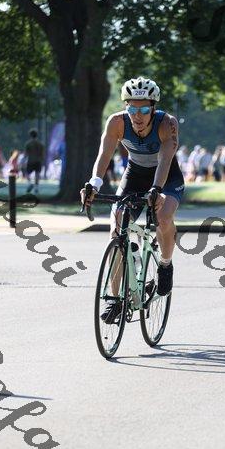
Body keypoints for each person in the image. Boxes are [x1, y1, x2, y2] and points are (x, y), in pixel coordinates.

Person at [80, 76, 184, 323]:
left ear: (153, 108)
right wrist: (94, 183)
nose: (137, 115)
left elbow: (165, 160)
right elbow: (104, 154)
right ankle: (115, 299)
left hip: (165, 176)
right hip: (135, 175)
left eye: (144, 110)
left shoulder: (166, 124)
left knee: (163, 216)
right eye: (132, 108)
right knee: (116, 229)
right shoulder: (117, 122)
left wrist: (157, 189)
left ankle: (165, 264)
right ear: (126, 107)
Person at [24, 129, 45, 194]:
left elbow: (26, 154)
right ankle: (36, 188)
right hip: (38, 161)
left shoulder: (28, 144)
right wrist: (42, 160)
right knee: (37, 174)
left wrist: (23, 161)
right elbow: (42, 154)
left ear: (30, 135)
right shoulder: (40, 144)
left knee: (27, 173)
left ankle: (30, 183)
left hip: (31, 160)